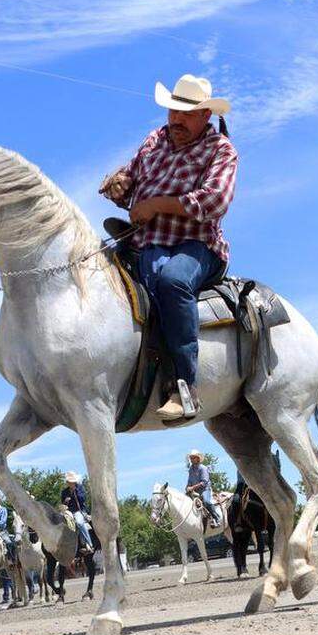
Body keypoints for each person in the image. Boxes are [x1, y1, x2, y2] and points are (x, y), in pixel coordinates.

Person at [99, 74, 237, 421]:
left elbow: (215, 201)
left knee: (172, 281)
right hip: (145, 242)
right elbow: (132, 181)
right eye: (173, 111)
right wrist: (120, 186)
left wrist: (158, 203)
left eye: (187, 114)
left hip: (197, 245)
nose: (176, 119)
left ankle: (185, 387)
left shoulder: (221, 150)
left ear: (206, 115)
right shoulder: (154, 140)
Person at [185, 449, 222, 526]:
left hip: (205, 489)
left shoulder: (203, 468)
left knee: (206, 501)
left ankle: (217, 518)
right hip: (195, 491)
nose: (191, 459)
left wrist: (192, 488)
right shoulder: (191, 470)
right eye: (191, 458)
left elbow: (204, 482)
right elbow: (189, 481)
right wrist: (188, 487)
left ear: (198, 458)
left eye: (193, 457)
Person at [62, 471, 94, 553]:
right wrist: (65, 501)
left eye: (71, 482)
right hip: (68, 511)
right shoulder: (64, 492)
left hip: (78, 510)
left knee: (79, 523)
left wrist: (75, 492)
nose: (70, 483)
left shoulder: (80, 488)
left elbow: (83, 499)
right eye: (69, 482)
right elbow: (63, 503)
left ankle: (89, 544)